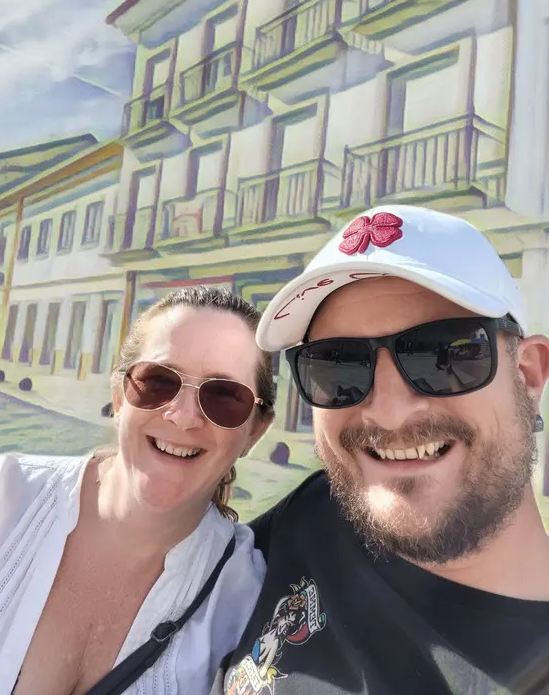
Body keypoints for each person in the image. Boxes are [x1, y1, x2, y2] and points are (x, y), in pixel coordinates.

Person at [212, 205, 549, 695]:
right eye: (338, 366)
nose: (388, 414)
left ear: (528, 375)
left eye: (442, 354)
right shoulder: (314, 512)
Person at [0, 286, 275, 695]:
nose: (183, 416)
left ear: (255, 431)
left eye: (224, 396)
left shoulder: (246, 601)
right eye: (158, 381)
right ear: (120, 396)